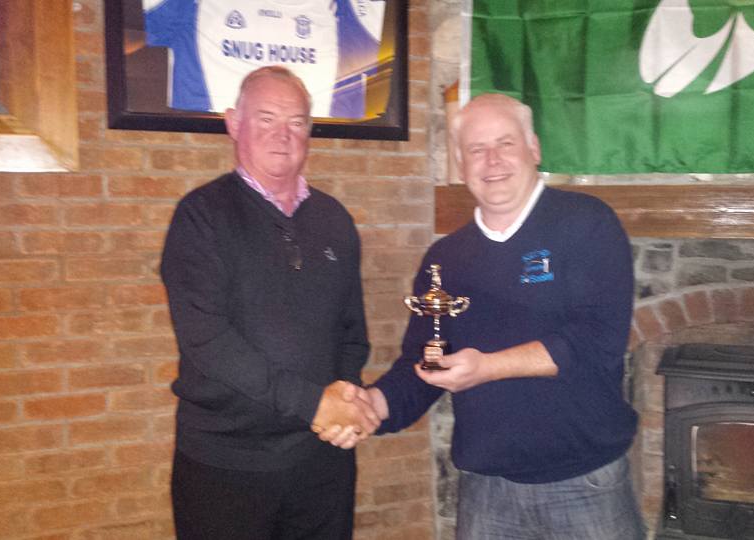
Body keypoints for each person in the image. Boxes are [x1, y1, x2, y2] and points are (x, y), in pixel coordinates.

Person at [320, 93, 646, 539]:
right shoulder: (445, 259)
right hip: (486, 491)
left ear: (533, 148)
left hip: (584, 484)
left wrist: (487, 367)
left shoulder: (587, 224)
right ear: (460, 163)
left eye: (505, 143)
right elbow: (423, 363)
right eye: (476, 149)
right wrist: (374, 405)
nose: (492, 161)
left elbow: (599, 341)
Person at [160, 66, 379, 540]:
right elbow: (207, 340)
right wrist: (313, 404)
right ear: (233, 123)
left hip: (322, 460)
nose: (283, 135)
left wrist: (342, 398)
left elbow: (351, 331)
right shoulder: (201, 217)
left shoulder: (334, 219)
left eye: (297, 121)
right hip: (226, 467)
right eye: (266, 119)